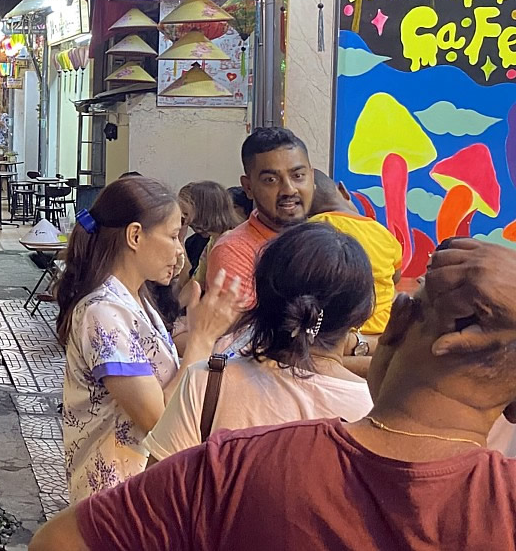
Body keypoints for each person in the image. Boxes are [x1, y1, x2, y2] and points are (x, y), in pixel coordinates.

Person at [30, 237, 516, 550]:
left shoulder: (237, 467)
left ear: (398, 325)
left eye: (413, 300)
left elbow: (59, 544)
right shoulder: (501, 500)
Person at [56, 176, 242, 502]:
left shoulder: (135, 300)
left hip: (143, 490)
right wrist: (201, 339)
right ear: (135, 235)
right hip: (115, 500)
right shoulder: (102, 312)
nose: (179, 251)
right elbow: (158, 420)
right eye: (172, 236)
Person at [141, 222, 374, 461]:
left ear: (262, 295)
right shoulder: (370, 409)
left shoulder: (207, 382)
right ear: (359, 314)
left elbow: (153, 492)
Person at [308, 169, 400, 375]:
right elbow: (396, 277)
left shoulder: (312, 230)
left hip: (333, 340)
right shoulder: (383, 234)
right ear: (342, 190)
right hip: (382, 337)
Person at [203, 127, 313, 299]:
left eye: (298, 176)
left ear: (312, 178)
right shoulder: (234, 252)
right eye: (271, 180)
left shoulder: (326, 240)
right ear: (248, 187)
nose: (289, 190)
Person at [177, 181, 241, 278]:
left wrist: (180, 240)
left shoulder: (230, 243)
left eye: (185, 214)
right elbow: (193, 283)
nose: (184, 221)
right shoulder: (212, 240)